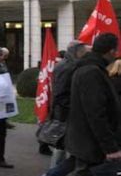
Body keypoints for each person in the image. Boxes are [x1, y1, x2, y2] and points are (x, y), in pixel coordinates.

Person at [66, 33, 121, 175]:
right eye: (116, 50)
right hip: (90, 144)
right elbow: (96, 113)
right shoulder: (91, 72)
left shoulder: (91, 68)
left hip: (87, 142)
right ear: (111, 51)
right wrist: (110, 147)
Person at [42, 41, 89, 176]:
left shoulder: (68, 64)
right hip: (65, 114)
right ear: (77, 51)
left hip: (64, 112)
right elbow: (61, 93)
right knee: (62, 147)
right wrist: (74, 108)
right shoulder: (68, 66)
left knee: (65, 148)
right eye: (84, 52)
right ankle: (52, 173)